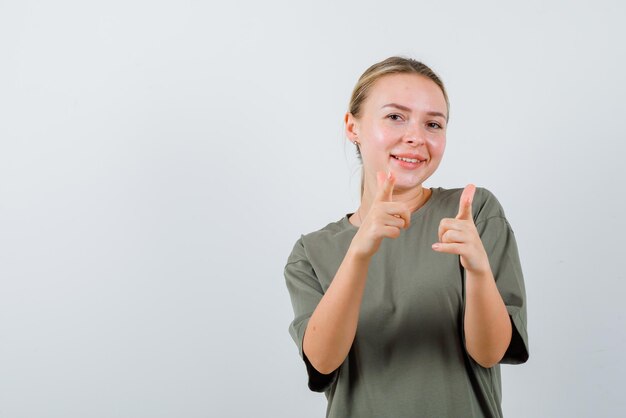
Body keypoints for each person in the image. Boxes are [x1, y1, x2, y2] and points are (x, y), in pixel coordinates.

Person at [284, 56, 528, 418]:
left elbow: (489, 353)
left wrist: (478, 271)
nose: (416, 136)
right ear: (353, 126)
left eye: (433, 123)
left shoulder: (472, 214)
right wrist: (358, 254)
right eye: (395, 116)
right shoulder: (311, 252)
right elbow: (322, 362)